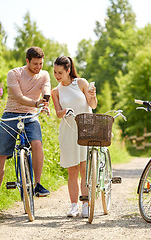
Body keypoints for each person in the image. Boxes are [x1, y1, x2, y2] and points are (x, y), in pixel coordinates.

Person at [0, 46, 51, 213]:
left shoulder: (44, 75)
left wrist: (45, 101)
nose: (38, 67)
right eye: (35, 64)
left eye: (41, 64)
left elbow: (46, 90)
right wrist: (36, 103)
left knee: (37, 144)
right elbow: (18, 97)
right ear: (27, 61)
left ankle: (37, 185)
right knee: (0, 155)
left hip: (30, 116)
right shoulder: (14, 73)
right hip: (10, 115)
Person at [51, 56, 97, 218]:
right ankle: (73, 206)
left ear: (68, 70)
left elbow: (92, 106)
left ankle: (86, 203)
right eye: (55, 72)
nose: (57, 76)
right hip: (68, 130)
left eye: (60, 72)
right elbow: (58, 114)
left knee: (84, 168)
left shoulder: (81, 83)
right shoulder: (55, 91)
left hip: (85, 128)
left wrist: (93, 95)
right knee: (72, 171)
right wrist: (66, 111)